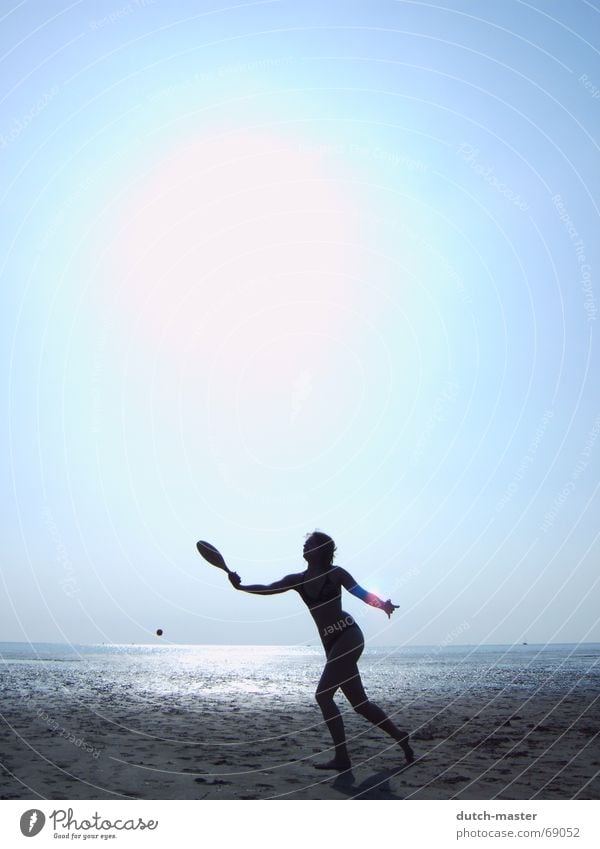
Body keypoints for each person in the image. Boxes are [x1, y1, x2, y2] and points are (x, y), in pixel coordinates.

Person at [227, 530, 414, 771]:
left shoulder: (335, 574)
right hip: (331, 643)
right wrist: (240, 587)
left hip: (348, 635)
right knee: (360, 704)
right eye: (304, 544)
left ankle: (342, 758)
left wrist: (383, 606)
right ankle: (400, 736)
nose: (304, 547)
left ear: (321, 549)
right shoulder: (298, 579)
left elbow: (360, 593)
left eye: (309, 544)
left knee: (323, 695)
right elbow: (269, 588)